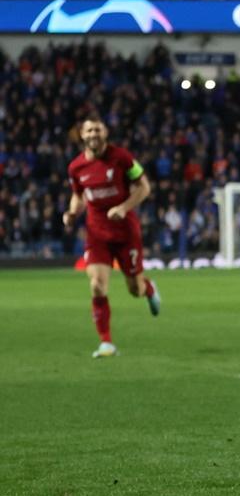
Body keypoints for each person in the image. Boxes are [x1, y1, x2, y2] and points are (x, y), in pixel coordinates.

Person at [63, 117, 162, 358]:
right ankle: (106, 343)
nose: (94, 134)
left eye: (98, 129)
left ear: (105, 132)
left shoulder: (123, 158)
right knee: (97, 285)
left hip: (125, 233)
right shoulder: (75, 168)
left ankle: (147, 288)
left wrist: (124, 207)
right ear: (82, 135)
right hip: (97, 233)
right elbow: (78, 195)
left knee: (134, 289)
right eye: (89, 130)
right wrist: (72, 212)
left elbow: (144, 187)